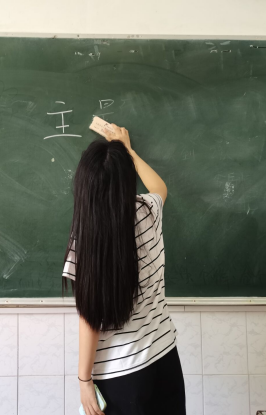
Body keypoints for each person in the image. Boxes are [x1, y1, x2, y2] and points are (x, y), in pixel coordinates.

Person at [61, 124, 185, 415]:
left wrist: (84, 380)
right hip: (165, 356)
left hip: (121, 374)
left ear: (84, 186)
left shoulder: (86, 240)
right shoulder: (147, 211)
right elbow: (160, 188)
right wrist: (128, 150)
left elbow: (91, 318)